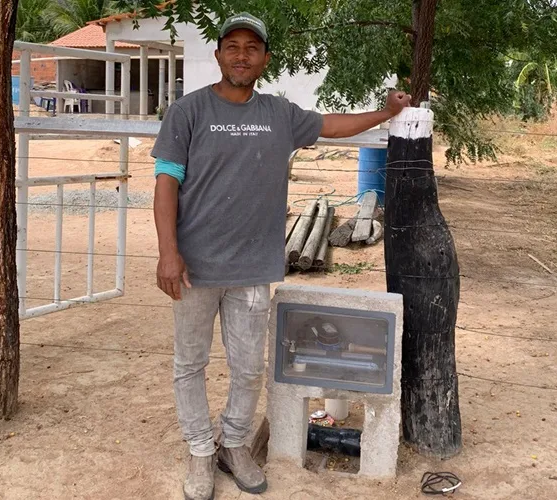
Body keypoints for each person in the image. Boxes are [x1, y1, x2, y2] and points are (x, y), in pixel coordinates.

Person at [151, 12, 411, 500]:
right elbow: (166, 184)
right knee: (189, 363)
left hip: (253, 267)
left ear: (265, 59)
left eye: (252, 47)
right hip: (193, 267)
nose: (242, 54)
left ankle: (233, 445)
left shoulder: (279, 114)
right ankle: (200, 451)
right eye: (233, 46)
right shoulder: (187, 112)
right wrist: (169, 253)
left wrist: (384, 112)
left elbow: (333, 125)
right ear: (219, 55)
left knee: (249, 367)